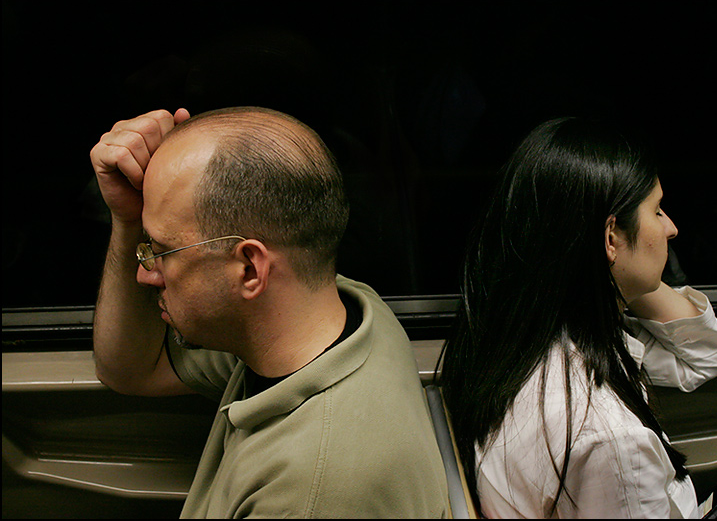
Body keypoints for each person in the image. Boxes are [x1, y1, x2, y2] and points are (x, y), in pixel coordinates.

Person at [90, 106, 449, 518]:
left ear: (248, 268)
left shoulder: (313, 492)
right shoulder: (330, 312)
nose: (145, 274)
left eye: (162, 251)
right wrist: (127, 220)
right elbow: (130, 368)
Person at [437, 117, 717, 518]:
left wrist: (610, 273)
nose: (672, 228)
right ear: (611, 237)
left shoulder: (513, 338)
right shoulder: (612, 441)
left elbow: (703, 357)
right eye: (658, 210)